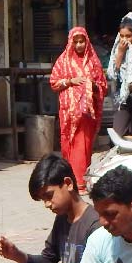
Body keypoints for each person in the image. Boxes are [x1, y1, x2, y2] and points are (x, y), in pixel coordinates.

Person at [50, 27, 107, 193]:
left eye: (82, 41)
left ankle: (82, 181)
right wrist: (71, 81)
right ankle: (72, 180)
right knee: (71, 145)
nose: (79, 45)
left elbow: (103, 85)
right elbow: (54, 82)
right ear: (70, 42)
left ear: (87, 41)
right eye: (76, 41)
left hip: (86, 113)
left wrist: (92, 86)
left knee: (84, 146)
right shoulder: (63, 61)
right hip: (69, 113)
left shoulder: (94, 61)